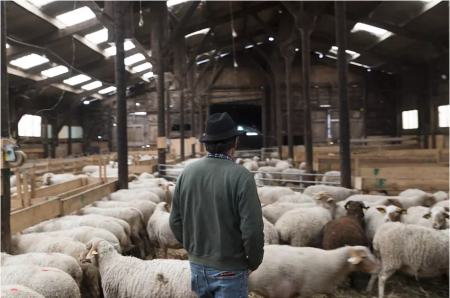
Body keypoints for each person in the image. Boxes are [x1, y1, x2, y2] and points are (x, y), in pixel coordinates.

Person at [169, 112, 264, 298]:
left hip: (197, 267)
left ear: (206, 144)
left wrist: (193, 248)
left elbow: (174, 221)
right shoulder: (241, 176)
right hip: (230, 269)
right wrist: (254, 262)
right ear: (235, 143)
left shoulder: (187, 173)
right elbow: (252, 230)